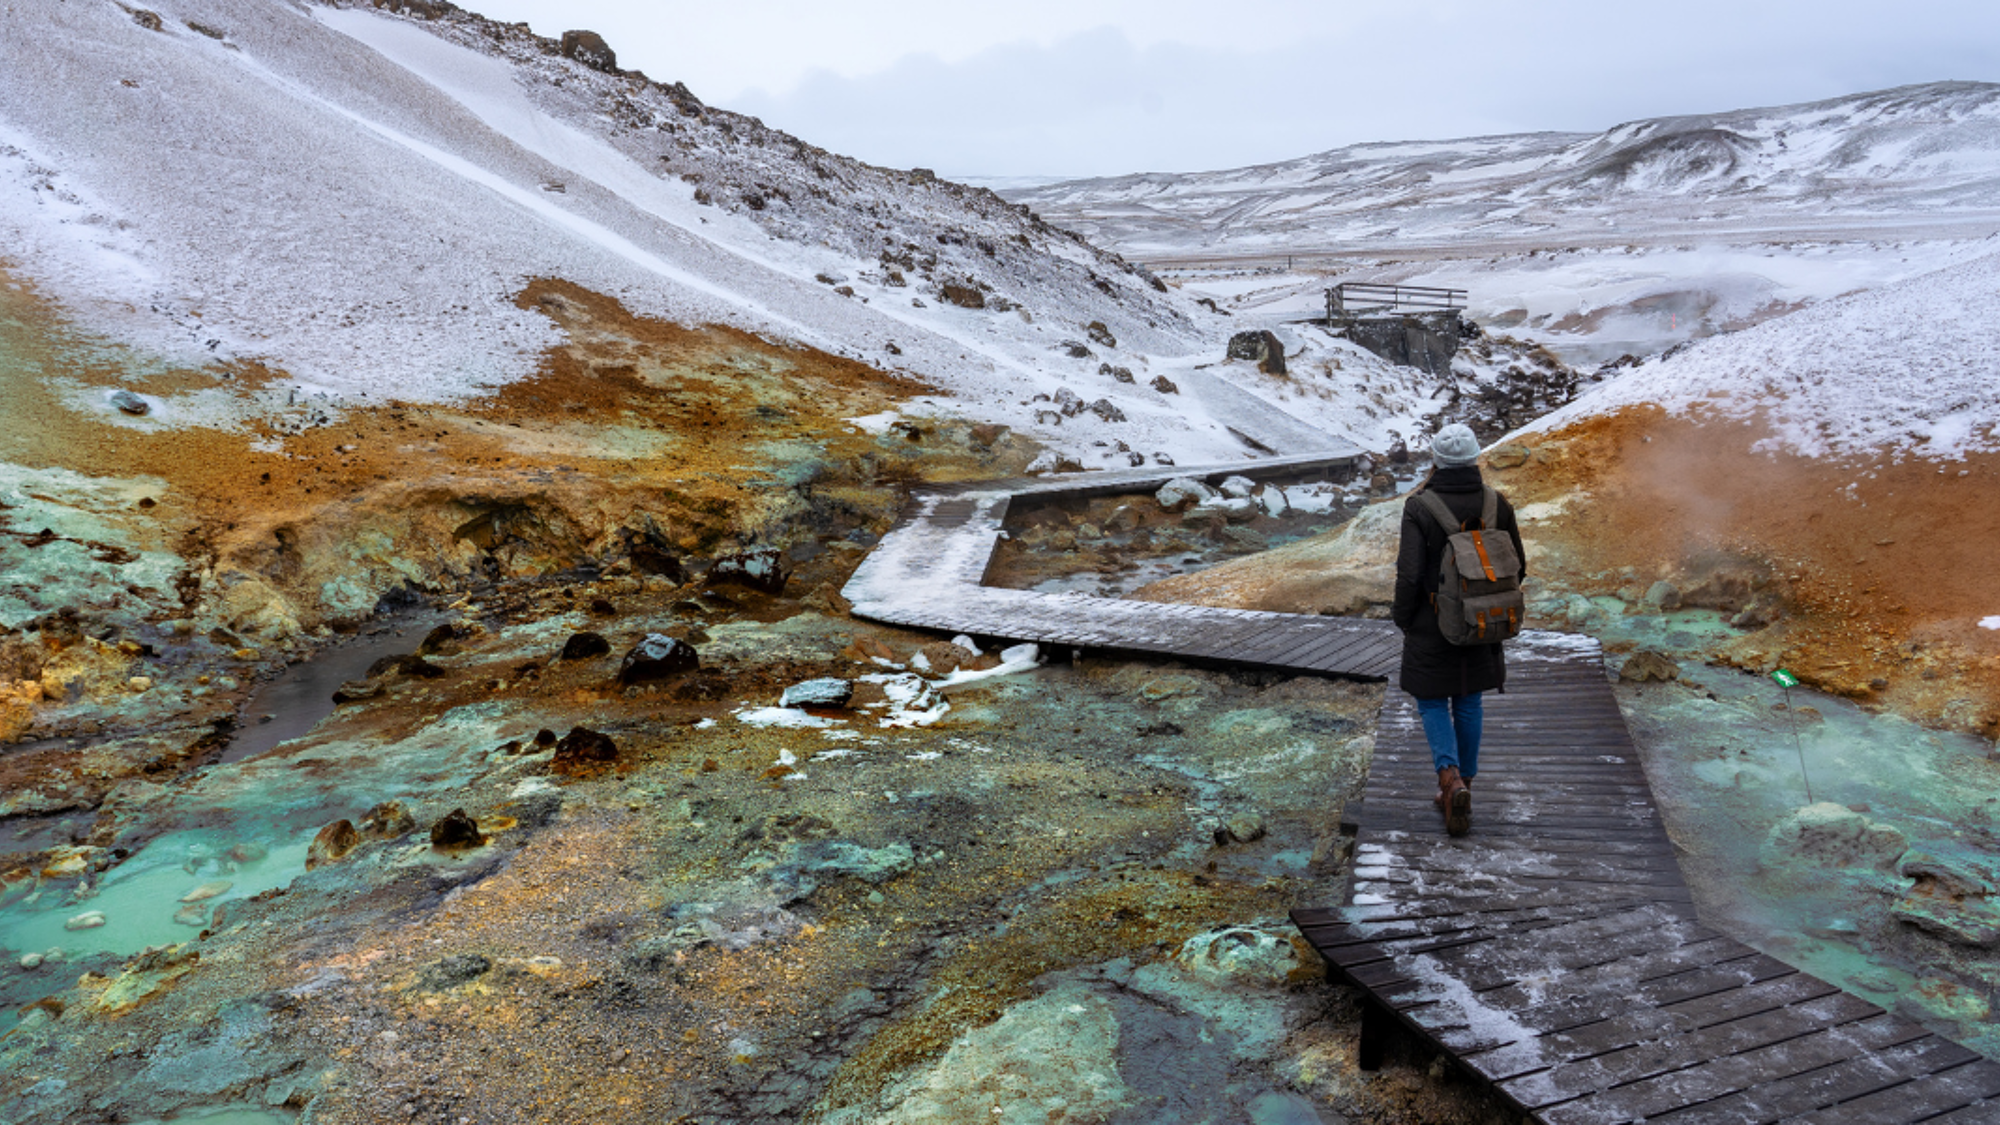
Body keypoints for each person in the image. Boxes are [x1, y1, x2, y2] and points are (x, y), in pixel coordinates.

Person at [1390, 423, 1524, 837]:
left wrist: (1403, 617)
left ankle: (1449, 782)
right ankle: (1467, 781)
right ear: (1475, 457)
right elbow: (1518, 564)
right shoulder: (1495, 502)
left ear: (1436, 460)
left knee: (1432, 702)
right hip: (1483, 621)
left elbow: (1409, 574)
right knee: (1468, 702)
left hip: (1433, 622)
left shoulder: (1420, 506)